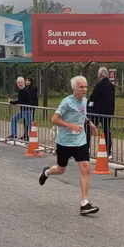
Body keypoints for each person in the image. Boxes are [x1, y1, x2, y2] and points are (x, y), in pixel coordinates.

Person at [38, 76, 100, 216]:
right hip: (64, 142)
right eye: (81, 87)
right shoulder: (66, 102)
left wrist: (90, 123)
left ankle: (84, 203)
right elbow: (54, 119)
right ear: (74, 89)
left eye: (86, 86)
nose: (84, 89)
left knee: (85, 168)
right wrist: (70, 126)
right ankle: (46, 172)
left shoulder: (84, 100)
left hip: (80, 141)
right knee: (61, 169)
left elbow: (81, 114)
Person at [87, 67, 115, 158]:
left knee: (89, 127)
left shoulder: (99, 85)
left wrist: (89, 104)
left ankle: (86, 148)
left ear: (99, 75)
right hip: (108, 113)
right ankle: (108, 151)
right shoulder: (111, 86)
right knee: (106, 130)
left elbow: (92, 97)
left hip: (97, 112)